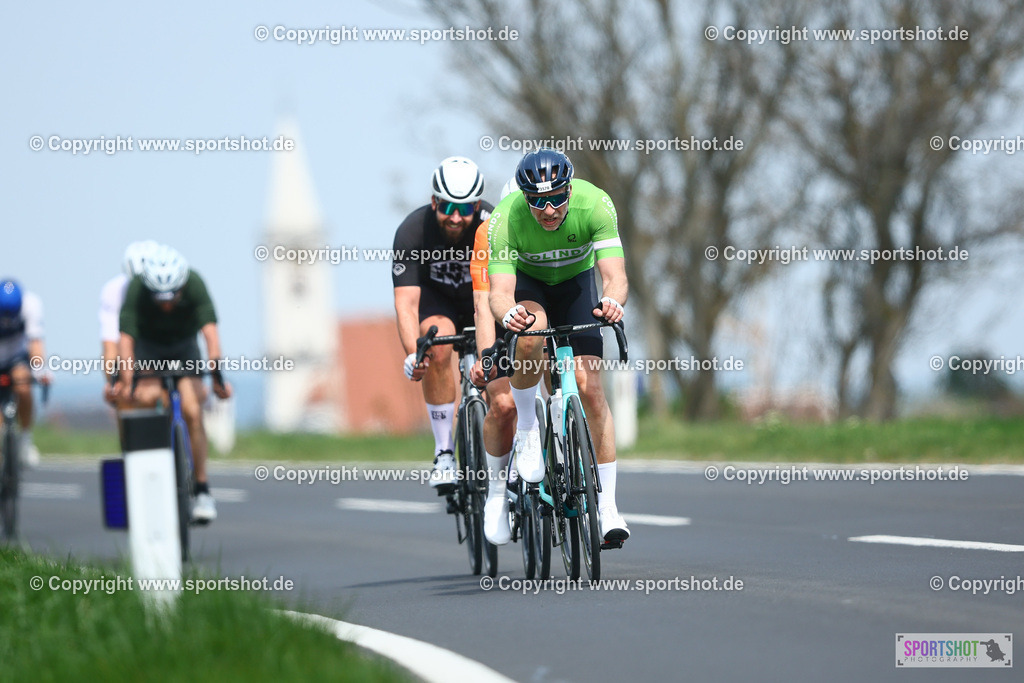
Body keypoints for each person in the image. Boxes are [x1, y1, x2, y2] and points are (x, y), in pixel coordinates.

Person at [487, 149, 630, 547]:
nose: (548, 210)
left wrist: (613, 302)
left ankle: (608, 510)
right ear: (525, 197)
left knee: (590, 389)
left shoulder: (595, 203)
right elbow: (498, 294)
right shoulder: (505, 218)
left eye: (556, 198)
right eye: (537, 201)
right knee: (533, 332)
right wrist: (510, 313)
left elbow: (614, 276)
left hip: (576, 285)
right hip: (530, 288)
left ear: (570, 189)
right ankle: (529, 432)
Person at [392, 156, 493, 491]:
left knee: (499, 363)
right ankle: (445, 452)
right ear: (434, 200)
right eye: (447, 206)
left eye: (464, 209)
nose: (454, 216)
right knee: (438, 345)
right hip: (439, 306)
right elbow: (406, 302)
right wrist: (413, 354)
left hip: (483, 302)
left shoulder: (492, 223)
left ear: (477, 205)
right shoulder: (412, 231)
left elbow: (511, 285)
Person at [114, 246, 232, 523]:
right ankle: (156, 456)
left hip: (183, 348)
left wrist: (216, 378)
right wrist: (127, 382)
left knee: (192, 410)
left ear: (182, 286)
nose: (166, 305)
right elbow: (126, 340)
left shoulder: (194, 283)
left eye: (172, 298)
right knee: (146, 397)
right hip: (150, 349)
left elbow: (211, 336)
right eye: (159, 299)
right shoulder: (136, 289)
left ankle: (202, 488)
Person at [469, 178, 522, 545]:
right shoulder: (488, 233)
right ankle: (498, 489)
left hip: (537, 314)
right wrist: (489, 360)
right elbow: (484, 306)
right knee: (503, 403)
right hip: (502, 317)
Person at [100, 240, 160, 405]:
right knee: (123, 395)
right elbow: (110, 345)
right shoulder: (114, 291)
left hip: (159, 348)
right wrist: (113, 381)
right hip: (130, 350)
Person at [0, 279, 51, 467]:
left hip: (17, 356)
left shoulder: (31, 305)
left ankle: (26, 440)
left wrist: (39, 371)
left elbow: (35, 342)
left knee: (23, 384)